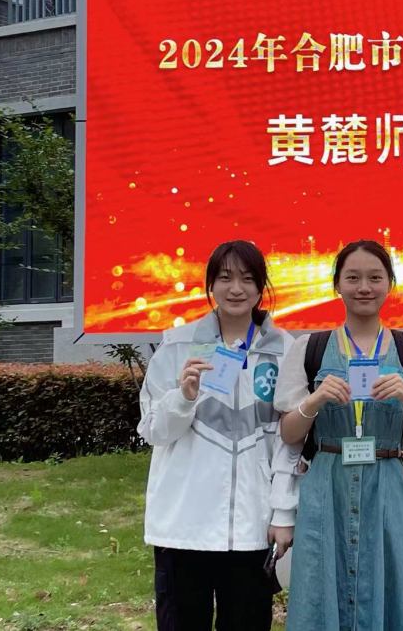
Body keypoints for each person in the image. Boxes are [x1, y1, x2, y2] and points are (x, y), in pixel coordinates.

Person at [274, 239, 403, 631]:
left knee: (391, 588)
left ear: (390, 284)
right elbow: (288, 432)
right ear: (337, 285)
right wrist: (315, 399)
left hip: (388, 487)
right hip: (327, 486)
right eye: (352, 278)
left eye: (375, 277)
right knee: (320, 590)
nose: (364, 287)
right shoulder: (310, 348)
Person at [138, 240, 298, 631]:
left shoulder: (286, 350)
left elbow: (289, 443)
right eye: (225, 278)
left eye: (247, 278)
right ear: (211, 285)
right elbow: (153, 430)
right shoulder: (178, 345)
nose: (236, 288)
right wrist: (184, 397)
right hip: (183, 527)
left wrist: (282, 513)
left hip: (253, 530)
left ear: (261, 287)